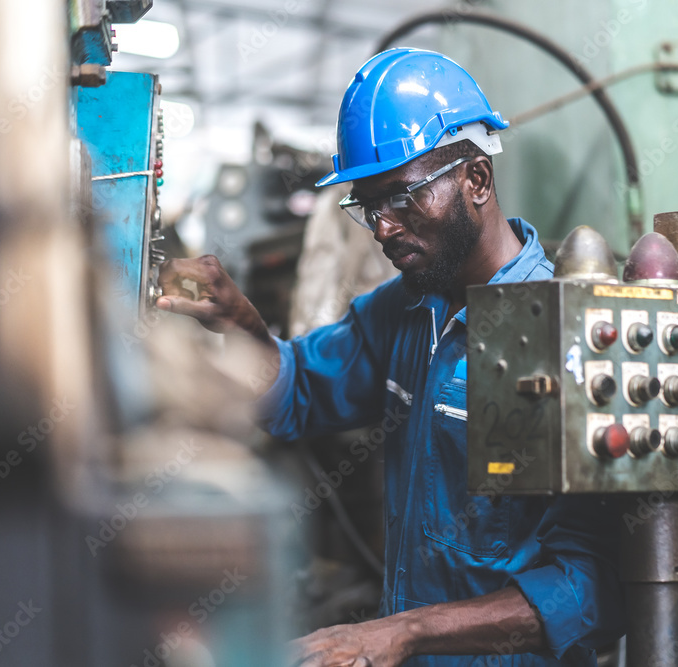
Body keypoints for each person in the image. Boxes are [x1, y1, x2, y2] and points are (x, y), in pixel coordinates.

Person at [156, 48, 625, 667]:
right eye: (368, 207)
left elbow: (593, 592)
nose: (381, 228)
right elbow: (295, 390)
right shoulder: (406, 311)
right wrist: (238, 320)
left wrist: (403, 632)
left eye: (402, 199)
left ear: (476, 180)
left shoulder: (565, 333)